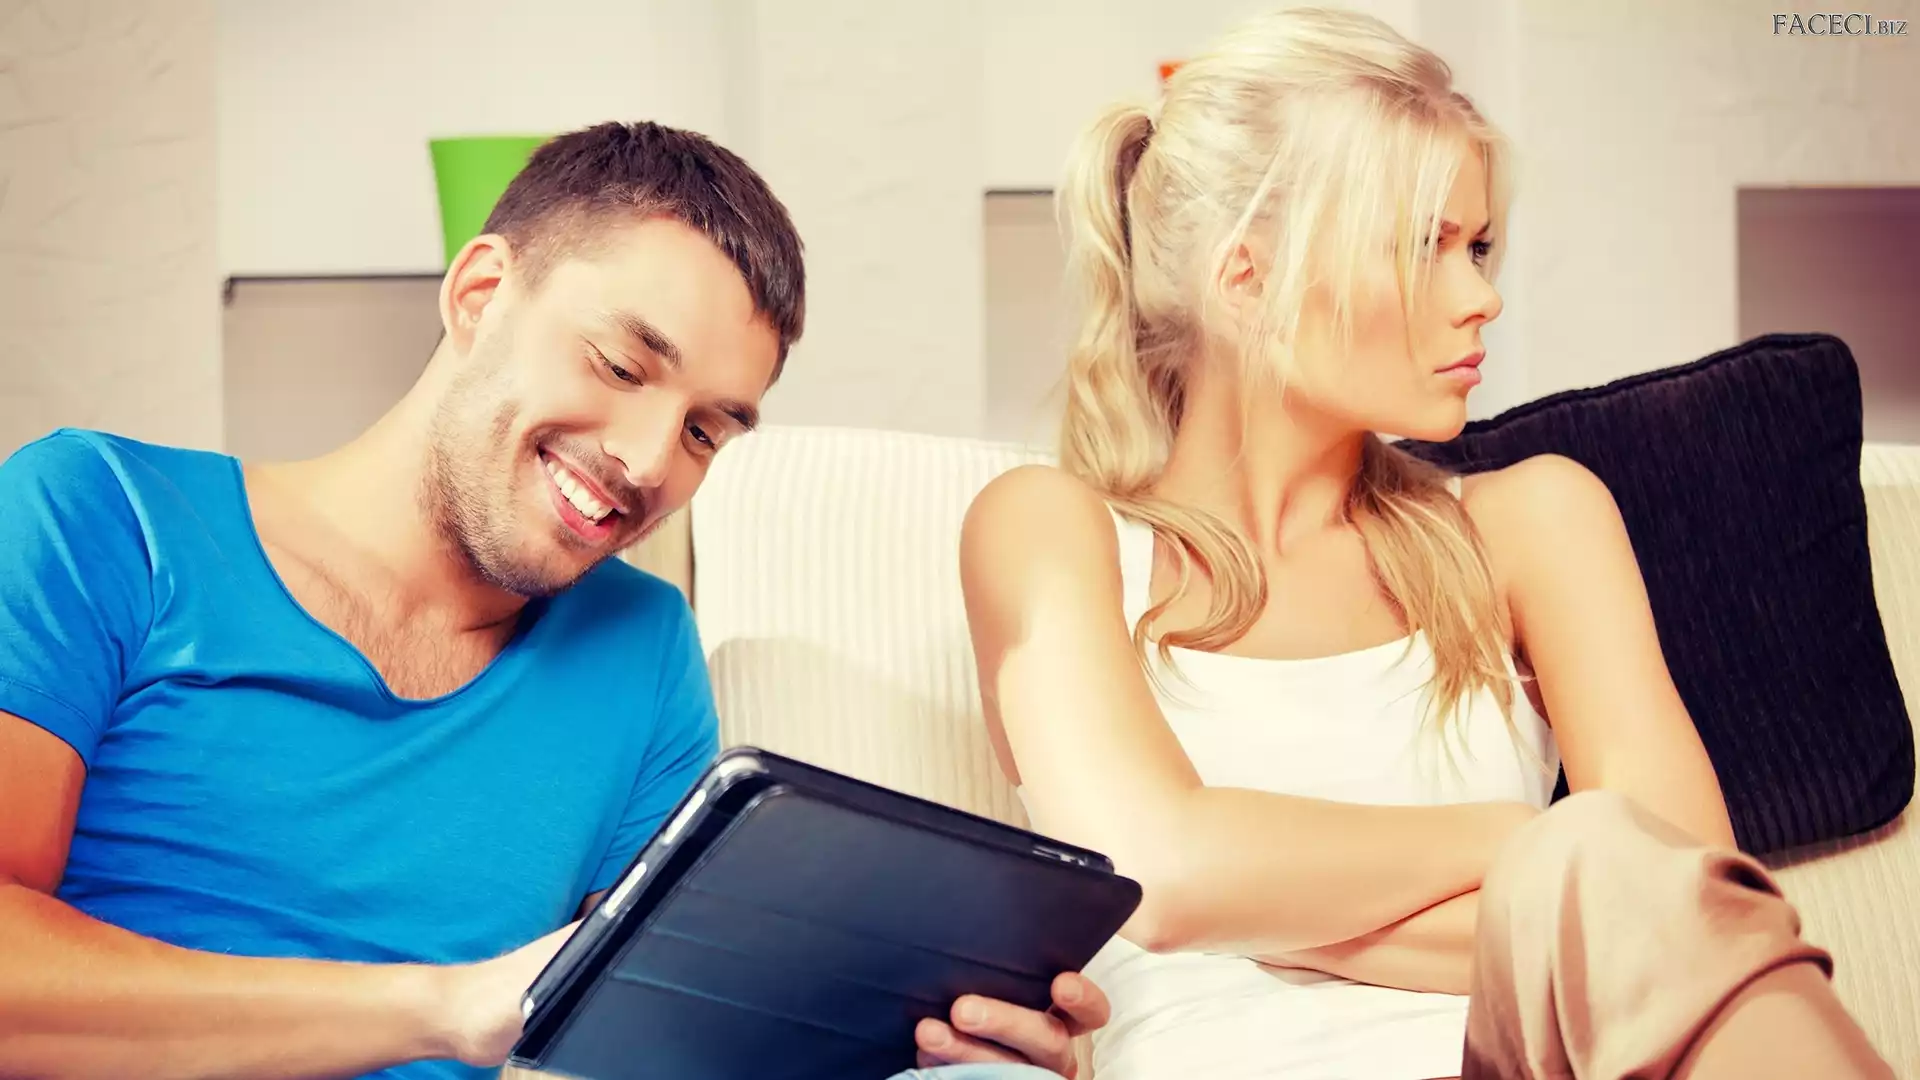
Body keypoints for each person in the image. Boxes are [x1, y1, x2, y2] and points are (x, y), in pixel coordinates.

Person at [0, 121, 1104, 1080]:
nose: (646, 460)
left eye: (705, 430)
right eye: (621, 367)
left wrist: (902, 1044)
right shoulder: (100, 514)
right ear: (481, 294)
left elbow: (650, 1040)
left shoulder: (641, 649)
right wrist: (443, 1008)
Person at [958, 8, 1895, 1080]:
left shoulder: (1532, 522)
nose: (1482, 297)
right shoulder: (1047, 531)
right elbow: (1164, 877)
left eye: (1478, 245)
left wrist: (1262, 903)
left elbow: (1686, 925)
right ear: (1245, 277)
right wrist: (1525, 847)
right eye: (1423, 245)